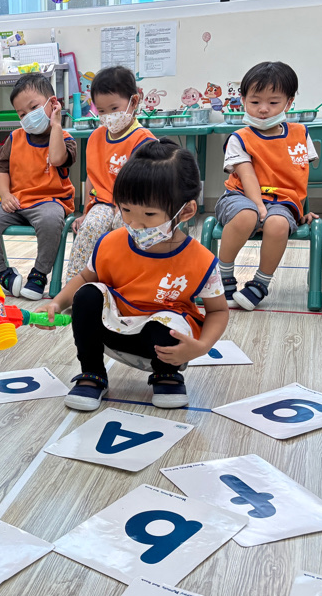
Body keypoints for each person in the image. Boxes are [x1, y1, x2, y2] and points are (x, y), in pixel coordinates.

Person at [35, 143, 228, 410]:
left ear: (185, 211)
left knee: (168, 322)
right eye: (126, 210)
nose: (135, 224)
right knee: (88, 294)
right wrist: (56, 303)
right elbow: (84, 278)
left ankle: (166, 375)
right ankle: (92, 373)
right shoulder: (110, 243)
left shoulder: (201, 260)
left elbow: (218, 311)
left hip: (165, 345)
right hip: (113, 331)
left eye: (149, 214)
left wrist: (202, 346)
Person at [215, 61, 319, 310]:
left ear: (288, 103)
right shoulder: (239, 138)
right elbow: (247, 176)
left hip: (282, 202)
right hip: (240, 196)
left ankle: (260, 283)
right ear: (243, 101)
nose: (263, 109)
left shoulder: (301, 134)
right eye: (255, 102)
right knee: (246, 215)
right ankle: (223, 275)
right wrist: (260, 207)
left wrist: (301, 211)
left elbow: (300, 175)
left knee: (278, 224)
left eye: (273, 102)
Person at [0, 73, 76, 300]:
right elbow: (2, 170)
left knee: (51, 222)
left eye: (34, 108)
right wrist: (5, 195)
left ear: (53, 103)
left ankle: (39, 274)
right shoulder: (14, 138)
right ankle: (2, 273)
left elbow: (57, 158)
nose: (29, 116)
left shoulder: (65, 139)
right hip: (18, 202)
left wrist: (56, 124)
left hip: (50, 202)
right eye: (22, 114)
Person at [65, 66, 165, 280]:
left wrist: (126, 209)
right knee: (90, 227)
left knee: (125, 228)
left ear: (134, 102)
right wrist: (85, 212)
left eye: (114, 108)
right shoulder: (96, 138)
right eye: (101, 111)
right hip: (102, 203)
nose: (108, 116)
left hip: (133, 206)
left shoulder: (144, 140)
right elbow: (92, 177)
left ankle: (126, 281)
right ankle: (74, 284)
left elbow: (146, 186)